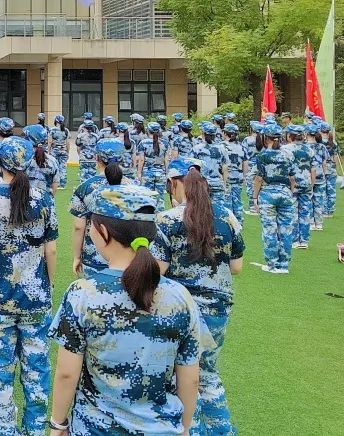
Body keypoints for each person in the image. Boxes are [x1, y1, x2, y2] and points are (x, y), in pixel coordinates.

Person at [48, 184, 206, 436]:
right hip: (161, 429)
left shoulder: (83, 293)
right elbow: (190, 377)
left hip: (95, 429)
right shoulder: (180, 297)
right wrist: (184, 428)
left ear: (102, 232)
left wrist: (58, 424)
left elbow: (67, 373)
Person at [0, 137, 58, 436]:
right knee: (36, 372)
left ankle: (6, 431)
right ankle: (34, 431)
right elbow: (51, 250)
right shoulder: (44, 199)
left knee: (0, 374)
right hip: (35, 299)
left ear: (0, 162)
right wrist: (49, 284)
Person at [153, 158, 244, 436]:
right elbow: (237, 267)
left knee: (178, 377)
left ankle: (186, 429)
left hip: (179, 310)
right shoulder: (226, 215)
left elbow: (158, 270)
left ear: (174, 183)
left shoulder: (167, 220)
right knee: (207, 374)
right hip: (218, 308)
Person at [69, 139, 126, 277]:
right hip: (127, 256)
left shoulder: (85, 188)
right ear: (122, 158)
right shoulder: (135, 187)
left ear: (97, 158)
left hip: (94, 255)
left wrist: (77, 257)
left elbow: (79, 226)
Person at [252, 122, 297, 274]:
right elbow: (292, 178)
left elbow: (258, 178)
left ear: (266, 138)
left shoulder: (263, 155)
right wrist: (289, 192)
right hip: (285, 193)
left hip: (268, 194)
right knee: (286, 229)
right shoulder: (288, 154)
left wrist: (254, 198)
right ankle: (284, 265)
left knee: (269, 230)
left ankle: (272, 264)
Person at [135, 121, 170, 209]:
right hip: (161, 173)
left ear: (148, 130)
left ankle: (148, 217)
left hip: (147, 172)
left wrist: (139, 173)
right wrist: (167, 172)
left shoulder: (143, 143)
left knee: (147, 196)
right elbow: (166, 160)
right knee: (160, 198)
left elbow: (141, 159)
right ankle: (160, 216)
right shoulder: (165, 143)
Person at [50, 115, 70, 190]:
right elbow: (68, 143)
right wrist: (68, 152)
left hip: (54, 151)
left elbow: (49, 142)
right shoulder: (66, 130)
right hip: (63, 151)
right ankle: (63, 184)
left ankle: (55, 183)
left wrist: (49, 152)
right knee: (63, 167)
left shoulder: (52, 130)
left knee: (54, 167)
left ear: (56, 121)